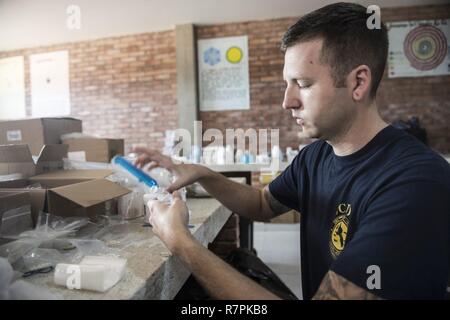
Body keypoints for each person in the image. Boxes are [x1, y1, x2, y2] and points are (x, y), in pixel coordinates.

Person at [133, 2, 450, 300]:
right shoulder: (316, 156)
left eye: (303, 83)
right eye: (288, 84)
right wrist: (202, 174)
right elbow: (260, 203)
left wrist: (183, 244)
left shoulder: (417, 184)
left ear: (358, 82)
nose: (288, 101)